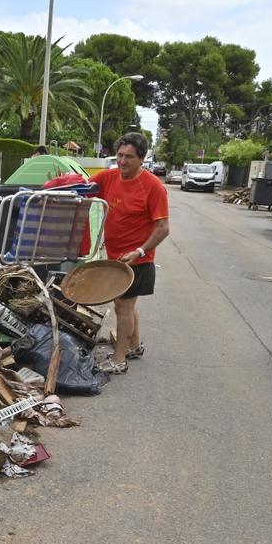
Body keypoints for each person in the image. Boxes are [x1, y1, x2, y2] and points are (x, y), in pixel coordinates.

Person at [89, 132, 170, 374]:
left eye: (129, 157)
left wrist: (139, 250)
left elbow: (163, 228)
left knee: (122, 307)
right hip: (115, 256)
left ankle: (119, 359)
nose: (123, 161)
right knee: (127, 304)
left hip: (138, 259)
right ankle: (134, 346)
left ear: (142, 159)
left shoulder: (153, 187)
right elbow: (83, 187)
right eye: (120, 155)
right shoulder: (109, 177)